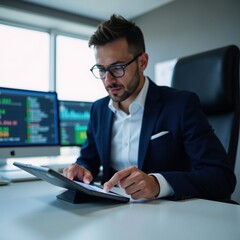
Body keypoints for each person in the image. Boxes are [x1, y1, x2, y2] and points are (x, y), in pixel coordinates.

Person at [63, 14, 236, 201]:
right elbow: (88, 160)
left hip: (170, 215)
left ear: (142, 62)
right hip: (111, 213)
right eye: (102, 69)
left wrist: (158, 183)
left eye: (118, 67)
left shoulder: (181, 105)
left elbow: (222, 177)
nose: (108, 79)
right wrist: (80, 169)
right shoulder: (99, 110)